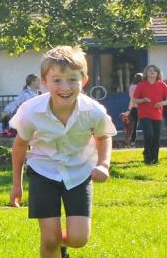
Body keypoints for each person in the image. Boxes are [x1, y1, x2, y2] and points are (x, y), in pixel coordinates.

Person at [9, 46, 116, 258]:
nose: (65, 87)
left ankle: (58, 246)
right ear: (45, 82)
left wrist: (103, 164)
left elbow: (103, 137)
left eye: (72, 79)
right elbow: (20, 146)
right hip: (43, 173)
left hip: (79, 174)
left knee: (79, 239)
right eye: (57, 80)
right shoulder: (32, 112)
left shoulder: (93, 111)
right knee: (49, 240)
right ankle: (51, 245)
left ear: (84, 80)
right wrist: (17, 185)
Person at [132, 65, 167, 165]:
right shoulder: (141, 85)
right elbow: (134, 99)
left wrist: (161, 103)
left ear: (157, 73)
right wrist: (143, 100)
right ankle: (147, 154)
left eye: (154, 71)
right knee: (149, 134)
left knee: (156, 138)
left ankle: (154, 159)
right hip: (144, 114)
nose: (152, 72)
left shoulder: (162, 85)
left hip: (157, 115)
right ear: (146, 73)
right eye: (150, 71)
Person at [121, 73, 143, 147]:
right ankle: (133, 142)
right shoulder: (141, 87)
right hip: (140, 108)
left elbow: (131, 98)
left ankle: (127, 142)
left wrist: (128, 110)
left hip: (132, 108)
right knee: (135, 126)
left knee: (129, 127)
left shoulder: (131, 87)